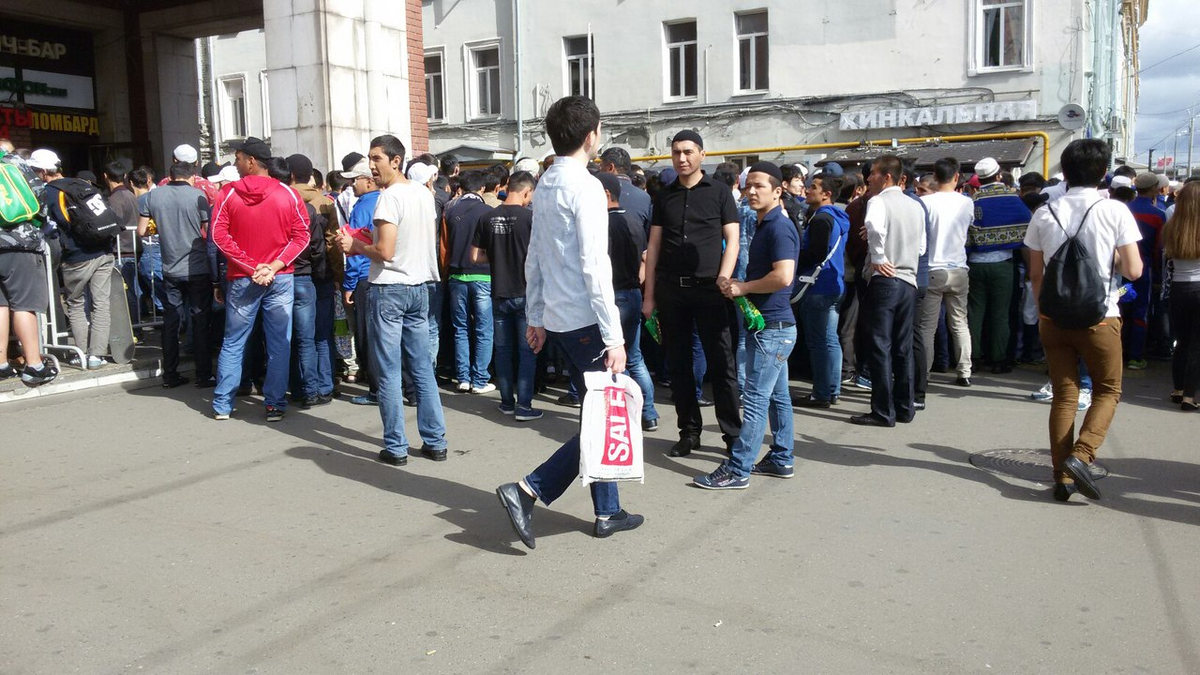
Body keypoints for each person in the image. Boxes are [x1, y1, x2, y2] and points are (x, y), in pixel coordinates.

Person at [495, 96, 642, 549]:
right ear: (591, 135)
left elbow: (535, 258)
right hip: (585, 320)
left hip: (560, 317)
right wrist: (614, 336)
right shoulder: (585, 186)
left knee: (598, 410)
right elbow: (595, 267)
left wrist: (537, 317)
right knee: (602, 418)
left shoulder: (547, 183)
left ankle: (607, 509)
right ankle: (528, 490)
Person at [1025, 139, 1142, 502]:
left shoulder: (1044, 213)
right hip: (1101, 316)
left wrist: (1043, 310)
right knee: (1108, 390)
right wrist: (1114, 263)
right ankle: (1082, 456)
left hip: (1053, 317)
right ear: (1103, 173)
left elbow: (1036, 275)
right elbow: (1134, 270)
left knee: (1064, 395)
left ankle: (1062, 478)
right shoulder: (1115, 211)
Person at [336, 134, 448, 465]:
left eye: (376, 159)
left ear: (395, 161)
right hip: (419, 286)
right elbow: (405, 240)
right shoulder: (424, 195)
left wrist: (355, 246)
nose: (372, 166)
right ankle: (435, 440)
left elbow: (385, 252)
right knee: (422, 368)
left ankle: (397, 446)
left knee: (387, 371)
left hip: (390, 288)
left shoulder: (389, 198)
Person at [694, 162, 800, 489]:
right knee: (777, 397)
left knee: (754, 399)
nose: (751, 191)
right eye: (748, 185)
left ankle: (738, 469)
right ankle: (782, 457)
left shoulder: (779, 227)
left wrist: (744, 287)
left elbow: (784, 276)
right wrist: (743, 284)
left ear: (778, 191)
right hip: (771, 327)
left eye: (760, 186)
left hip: (773, 330)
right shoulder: (765, 223)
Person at [642, 130, 742, 457]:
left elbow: (733, 240)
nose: (682, 158)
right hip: (673, 292)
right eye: (676, 153)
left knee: (722, 365)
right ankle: (689, 431)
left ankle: (732, 436)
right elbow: (654, 248)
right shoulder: (664, 196)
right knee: (679, 366)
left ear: (701, 154)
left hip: (711, 291)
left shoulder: (720, 192)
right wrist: (649, 296)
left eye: (688, 152)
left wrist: (724, 278)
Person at [210, 137, 310, 422]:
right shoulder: (287, 194)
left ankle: (222, 404)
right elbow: (301, 235)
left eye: (238, 157)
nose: (236, 163)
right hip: (279, 278)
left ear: (251, 161)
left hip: (244, 277)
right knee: (279, 342)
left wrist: (252, 266)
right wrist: (274, 265)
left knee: (234, 341)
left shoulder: (228, 194)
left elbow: (219, 235)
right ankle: (275, 403)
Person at [851, 154, 926, 427]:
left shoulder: (878, 201)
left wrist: (879, 257)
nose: (869, 178)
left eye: (873, 174)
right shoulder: (914, 204)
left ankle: (883, 411)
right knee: (902, 346)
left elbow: (874, 226)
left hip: (885, 280)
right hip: (909, 280)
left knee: (879, 345)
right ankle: (904, 407)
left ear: (888, 177)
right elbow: (920, 245)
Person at [32, 149, 115, 370]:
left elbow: (46, 223)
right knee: (100, 304)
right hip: (104, 252)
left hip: (77, 256)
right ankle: (97, 355)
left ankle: (81, 352)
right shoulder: (83, 185)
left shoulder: (49, 192)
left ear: (42, 171)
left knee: (75, 304)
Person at [469, 170, 542, 421]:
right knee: (527, 350)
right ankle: (524, 405)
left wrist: (497, 256)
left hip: (498, 292)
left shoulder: (487, 217)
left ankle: (506, 402)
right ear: (526, 192)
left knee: (503, 350)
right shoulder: (531, 219)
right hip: (526, 293)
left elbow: (475, 257)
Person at [138, 162, 214, 388]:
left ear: (169, 176)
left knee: (171, 321)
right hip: (197, 266)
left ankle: (170, 374)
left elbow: (141, 230)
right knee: (200, 321)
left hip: (169, 266)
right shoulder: (197, 195)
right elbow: (208, 232)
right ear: (191, 177)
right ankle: (203, 375)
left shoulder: (154, 197)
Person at [596, 171, 659, 431]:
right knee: (634, 357)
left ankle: (620, 415)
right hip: (633, 293)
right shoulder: (634, 220)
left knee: (612, 358)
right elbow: (645, 259)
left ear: (607, 194)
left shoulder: (600, 224)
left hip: (610, 296)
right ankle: (649, 412)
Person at [967, 157, 1031, 374]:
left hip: (974, 264)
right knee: (1000, 313)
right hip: (1003, 264)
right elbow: (1026, 229)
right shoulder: (1013, 199)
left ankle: (973, 358)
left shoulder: (973, 201)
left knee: (975, 313)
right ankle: (998, 360)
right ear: (998, 176)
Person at [0, 148, 58, 386]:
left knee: (0, 305)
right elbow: (38, 197)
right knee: (24, 304)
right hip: (19, 242)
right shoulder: (13, 161)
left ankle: (1, 364)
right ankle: (34, 366)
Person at [794, 173, 850, 408]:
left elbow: (815, 254)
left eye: (813, 187)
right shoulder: (837, 217)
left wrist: (793, 255)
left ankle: (821, 393)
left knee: (819, 342)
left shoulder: (820, 219)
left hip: (819, 285)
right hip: (834, 282)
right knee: (830, 339)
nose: (807, 190)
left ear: (826, 194)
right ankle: (831, 389)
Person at [918, 157, 974, 387]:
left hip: (932, 268)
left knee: (927, 327)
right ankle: (965, 371)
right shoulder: (967, 203)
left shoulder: (926, 203)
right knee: (960, 322)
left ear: (935, 175)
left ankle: (925, 373)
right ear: (957, 176)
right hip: (959, 268)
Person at [441, 170, 496, 394]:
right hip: (483, 276)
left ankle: (463, 378)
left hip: (456, 276)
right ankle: (480, 379)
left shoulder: (449, 211)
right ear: (482, 189)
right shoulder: (489, 212)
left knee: (460, 328)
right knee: (484, 329)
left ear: (460, 188)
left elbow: (444, 248)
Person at [339, 157, 381, 404]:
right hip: (384, 275)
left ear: (368, 181)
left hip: (365, 277)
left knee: (368, 336)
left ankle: (376, 389)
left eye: (354, 180)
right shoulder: (388, 200)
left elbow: (354, 248)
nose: (351, 186)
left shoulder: (363, 206)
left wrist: (349, 284)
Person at [1123, 173, 1167, 370]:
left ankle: (1119, 351)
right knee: (1141, 311)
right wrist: (1158, 276)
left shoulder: (1124, 209)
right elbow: (1159, 249)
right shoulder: (1158, 214)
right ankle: (1135, 356)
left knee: (1121, 306)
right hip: (1144, 270)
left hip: (1121, 268)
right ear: (1155, 188)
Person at [1162, 181, 1200, 411]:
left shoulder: (1171, 227)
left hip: (1178, 289)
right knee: (1198, 344)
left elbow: (1167, 263)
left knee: (1182, 341)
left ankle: (1177, 389)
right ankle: (1190, 395)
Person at [599, 147, 652, 236]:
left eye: (601, 165)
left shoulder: (599, 193)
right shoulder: (645, 197)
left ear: (610, 168)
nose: (599, 170)